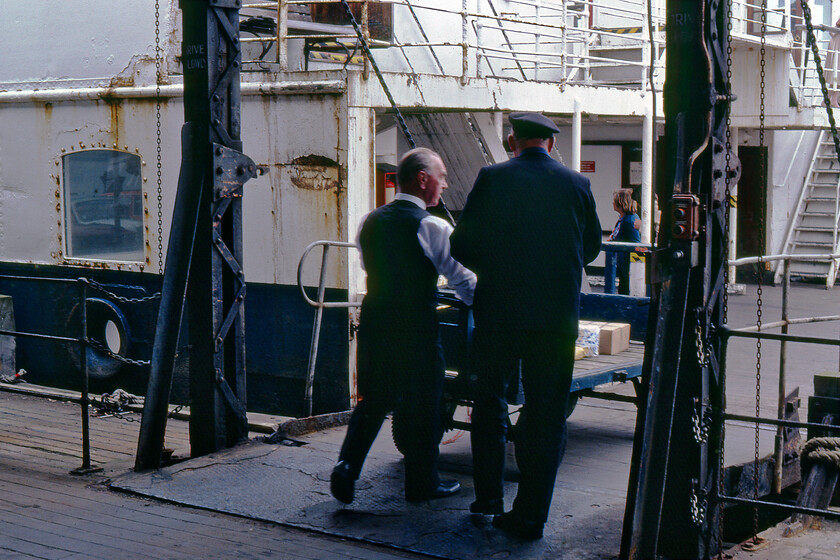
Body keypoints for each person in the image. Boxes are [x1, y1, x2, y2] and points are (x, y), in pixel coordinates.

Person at [450, 112, 601, 540]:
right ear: (550, 145)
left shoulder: (492, 178)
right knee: (547, 413)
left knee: (491, 402)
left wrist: (496, 271)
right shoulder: (577, 184)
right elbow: (590, 248)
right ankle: (532, 516)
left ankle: (489, 499)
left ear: (513, 141)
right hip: (555, 320)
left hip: (499, 314)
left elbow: (461, 244)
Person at [330, 147, 476, 505]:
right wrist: (490, 305)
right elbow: (461, 278)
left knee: (375, 399)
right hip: (415, 323)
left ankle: (347, 466)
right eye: (441, 177)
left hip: (376, 317)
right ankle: (422, 483)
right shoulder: (432, 225)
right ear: (422, 179)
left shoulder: (370, 220)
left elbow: (369, 265)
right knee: (424, 402)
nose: (445, 184)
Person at [608, 188, 641, 295]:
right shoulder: (624, 219)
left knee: (625, 288)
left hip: (627, 263)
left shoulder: (629, 220)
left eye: (614, 200)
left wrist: (635, 266)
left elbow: (637, 243)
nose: (612, 202)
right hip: (624, 262)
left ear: (620, 203)